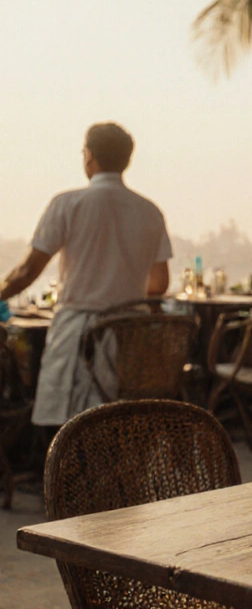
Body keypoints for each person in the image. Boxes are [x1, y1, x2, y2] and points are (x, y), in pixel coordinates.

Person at [0, 122, 172, 426]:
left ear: (89, 156)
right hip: (128, 336)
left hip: (80, 337)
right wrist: (120, 287)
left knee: (73, 429)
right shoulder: (149, 211)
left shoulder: (68, 204)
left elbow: (27, 271)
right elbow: (159, 283)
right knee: (117, 426)